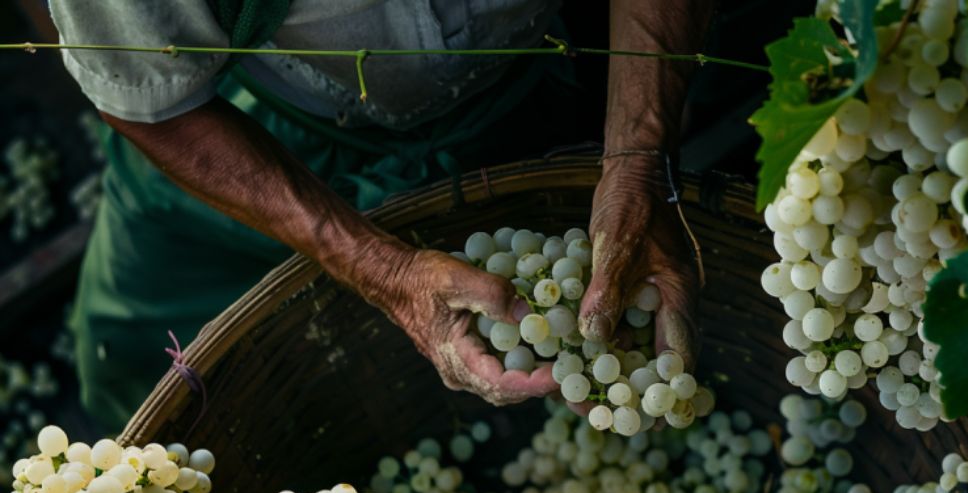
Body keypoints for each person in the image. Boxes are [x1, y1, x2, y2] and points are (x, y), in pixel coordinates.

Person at [47, 0, 711, 432]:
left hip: (546, 80)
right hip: (271, 141)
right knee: (142, 347)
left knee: (548, 345)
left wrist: (640, 153)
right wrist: (381, 268)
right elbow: (148, 98)